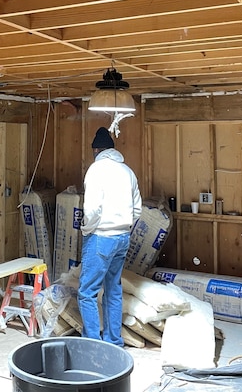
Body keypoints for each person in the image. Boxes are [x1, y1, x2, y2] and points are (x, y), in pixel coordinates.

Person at [77, 127, 142, 347]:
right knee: (113, 290)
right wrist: (125, 226)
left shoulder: (96, 170)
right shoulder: (128, 172)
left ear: (96, 150)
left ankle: (93, 344)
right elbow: (138, 209)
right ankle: (114, 342)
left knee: (87, 292)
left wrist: (88, 229)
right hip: (123, 236)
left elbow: (92, 209)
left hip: (101, 236)